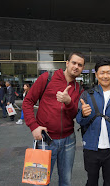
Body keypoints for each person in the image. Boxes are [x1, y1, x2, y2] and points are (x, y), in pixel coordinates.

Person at [22, 52, 85, 186]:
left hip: (69, 140)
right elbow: (27, 101)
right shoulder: (47, 77)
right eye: (74, 63)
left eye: (80, 65)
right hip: (45, 140)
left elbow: (74, 114)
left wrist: (68, 102)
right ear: (67, 63)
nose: (76, 67)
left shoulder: (78, 88)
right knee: (40, 182)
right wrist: (33, 126)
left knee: (66, 181)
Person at [76, 58, 110, 186]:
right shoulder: (87, 95)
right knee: (91, 181)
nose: (105, 76)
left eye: (108, 72)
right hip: (91, 147)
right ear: (96, 75)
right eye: (102, 72)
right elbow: (80, 121)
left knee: (109, 182)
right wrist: (83, 114)